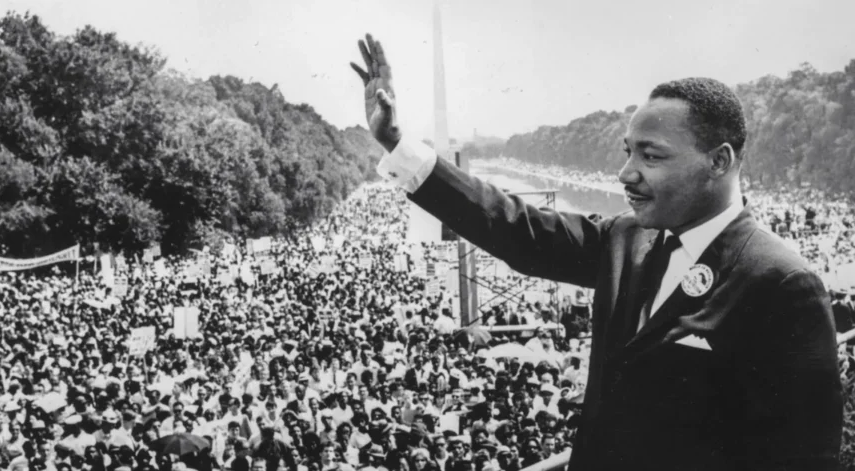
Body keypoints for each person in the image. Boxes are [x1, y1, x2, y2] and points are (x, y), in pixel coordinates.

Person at [351, 33, 843, 470]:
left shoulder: (783, 284)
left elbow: (802, 458)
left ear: (719, 162)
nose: (626, 173)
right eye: (626, 151)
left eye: (650, 156)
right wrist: (397, 144)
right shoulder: (625, 238)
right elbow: (516, 230)